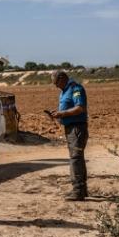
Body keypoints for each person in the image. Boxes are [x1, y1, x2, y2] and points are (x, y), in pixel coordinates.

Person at [49, 70, 89, 201]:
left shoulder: (75, 88)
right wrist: (58, 113)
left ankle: (78, 191)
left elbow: (80, 108)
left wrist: (62, 114)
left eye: (56, 83)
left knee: (75, 159)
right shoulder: (65, 90)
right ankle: (82, 189)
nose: (55, 86)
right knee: (77, 158)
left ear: (62, 78)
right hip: (71, 128)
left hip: (77, 129)